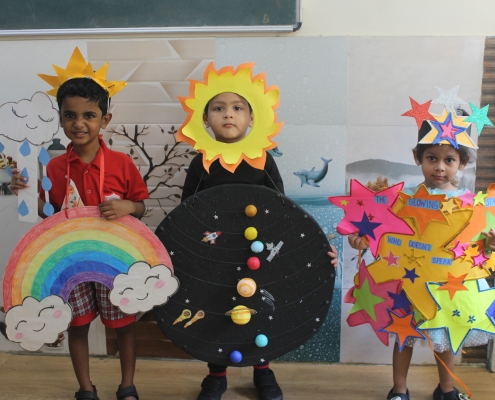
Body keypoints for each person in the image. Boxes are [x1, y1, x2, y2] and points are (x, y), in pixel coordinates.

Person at [182, 91, 338, 400]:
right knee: (217, 308)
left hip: (257, 253)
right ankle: (216, 374)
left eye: (237, 108)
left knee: (261, 307)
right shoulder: (201, 162)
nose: (228, 114)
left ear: (251, 117)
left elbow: (282, 213)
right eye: (218, 108)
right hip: (216, 256)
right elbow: (187, 213)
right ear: (205, 119)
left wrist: (313, 252)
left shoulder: (263, 159)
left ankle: (263, 369)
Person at [10, 76, 148, 400]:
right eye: (70, 115)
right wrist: (25, 193)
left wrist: (128, 206)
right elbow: (51, 215)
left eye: (89, 115)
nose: (79, 123)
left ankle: (127, 386)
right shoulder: (55, 168)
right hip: (71, 263)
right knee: (78, 325)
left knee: (124, 325)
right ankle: (86, 389)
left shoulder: (122, 163)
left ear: (105, 119)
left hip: (114, 263)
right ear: (60, 119)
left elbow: (141, 207)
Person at [348, 120, 483, 400]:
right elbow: (379, 232)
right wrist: (360, 239)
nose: (440, 167)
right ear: (417, 157)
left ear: (462, 162)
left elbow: (477, 247)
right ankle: (399, 390)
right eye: (432, 158)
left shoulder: (469, 204)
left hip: (447, 286)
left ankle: (446, 390)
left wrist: (490, 244)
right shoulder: (402, 198)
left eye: (449, 160)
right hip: (407, 284)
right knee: (403, 336)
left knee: (445, 338)